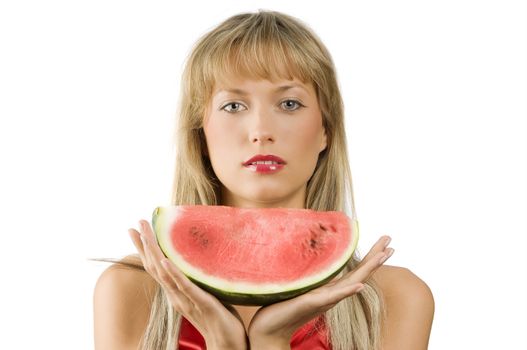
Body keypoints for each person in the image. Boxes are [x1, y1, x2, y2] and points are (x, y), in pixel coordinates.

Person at [93, 9, 434, 350]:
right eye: (233, 106)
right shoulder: (130, 292)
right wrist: (221, 340)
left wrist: (271, 340)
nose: (261, 132)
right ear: (201, 135)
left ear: (325, 131)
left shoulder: (395, 299)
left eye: (289, 103)